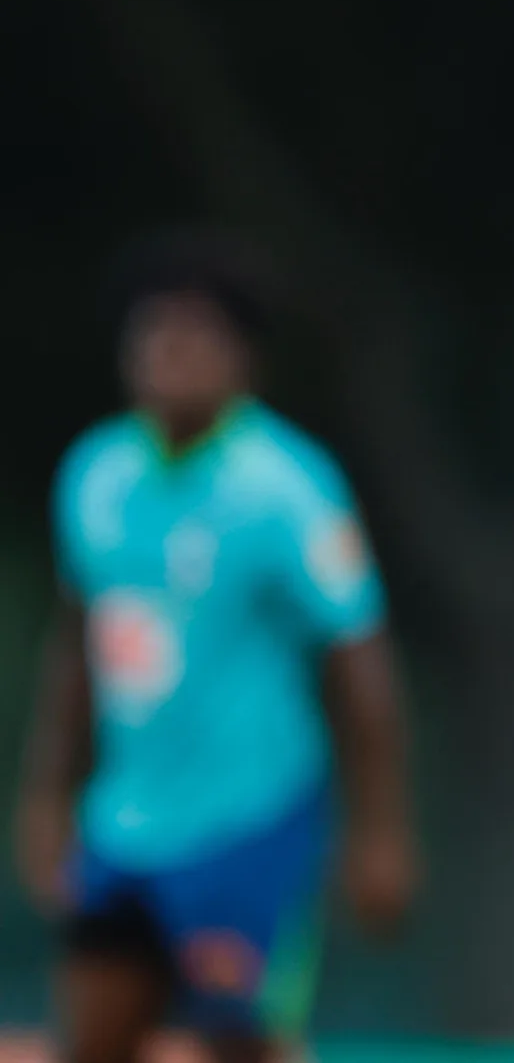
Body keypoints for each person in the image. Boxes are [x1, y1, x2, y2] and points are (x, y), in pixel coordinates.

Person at [11, 234, 417, 1063]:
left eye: (194, 337)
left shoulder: (286, 486)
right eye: (153, 334)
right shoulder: (96, 475)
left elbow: (358, 660)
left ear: (242, 360)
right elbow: (77, 650)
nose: (170, 355)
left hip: (248, 817)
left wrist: (381, 830)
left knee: (239, 1039)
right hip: (125, 821)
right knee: (93, 1034)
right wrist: (49, 793)